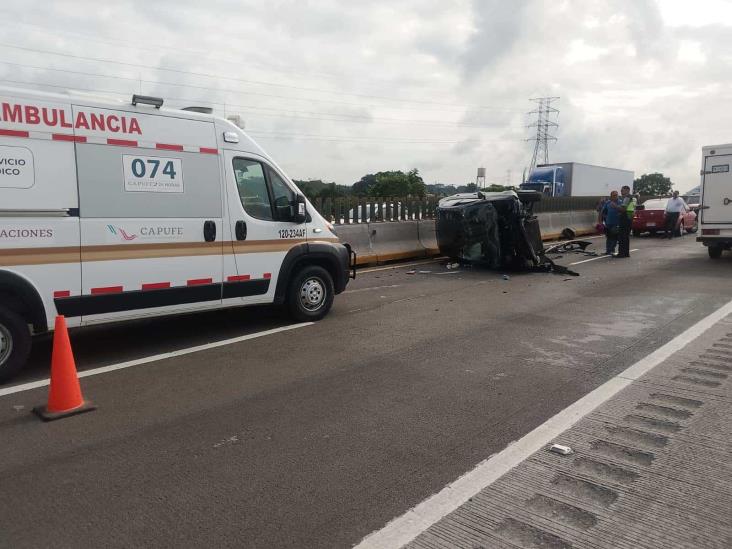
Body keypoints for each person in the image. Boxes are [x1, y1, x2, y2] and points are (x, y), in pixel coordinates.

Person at [614, 185, 636, 258]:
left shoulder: (627, 198)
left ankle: (621, 253)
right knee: (626, 237)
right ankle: (626, 253)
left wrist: (615, 206)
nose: (621, 192)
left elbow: (623, 209)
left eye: (622, 190)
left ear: (627, 190)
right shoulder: (633, 198)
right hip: (629, 218)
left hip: (624, 218)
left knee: (622, 237)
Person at [599, 191, 621, 255]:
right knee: (608, 237)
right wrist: (604, 219)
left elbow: (622, 210)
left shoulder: (620, 202)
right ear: (611, 196)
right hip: (608, 223)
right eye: (614, 195)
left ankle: (612, 250)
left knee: (614, 237)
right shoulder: (608, 203)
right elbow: (603, 211)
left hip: (616, 223)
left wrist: (616, 206)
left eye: (616, 195)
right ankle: (608, 251)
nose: (615, 196)